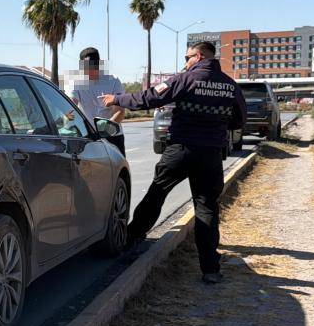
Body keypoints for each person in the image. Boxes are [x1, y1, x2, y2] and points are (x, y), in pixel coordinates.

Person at [101, 41, 247, 284]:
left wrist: (117, 99)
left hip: (181, 149)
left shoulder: (185, 79)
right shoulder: (230, 86)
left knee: (157, 193)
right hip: (210, 154)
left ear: (199, 56)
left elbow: (149, 97)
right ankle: (210, 269)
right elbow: (239, 120)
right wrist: (216, 127)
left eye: (188, 57)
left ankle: (129, 242)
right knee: (207, 207)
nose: (186, 62)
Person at [67, 47, 126, 123]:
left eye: (94, 65)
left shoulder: (114, 81)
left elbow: (120, 111)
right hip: (89, 133)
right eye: (87, 66)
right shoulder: (76, 83)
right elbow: (71, 107)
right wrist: (65, 123)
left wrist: (108, 127)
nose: (90, 69)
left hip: (112, 132)